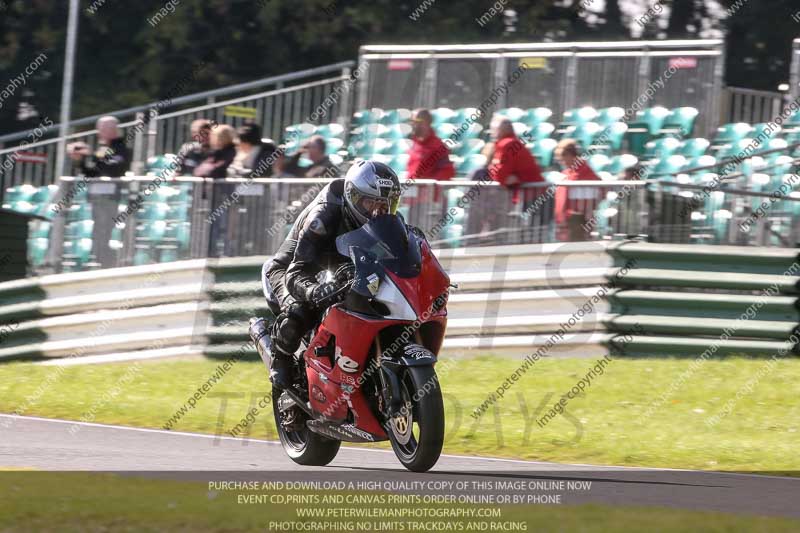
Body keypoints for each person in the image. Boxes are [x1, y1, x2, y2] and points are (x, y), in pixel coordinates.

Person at [261, 160, 401, 388]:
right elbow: (296, 271)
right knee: (297, 312)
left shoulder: (387, 221)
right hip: (295, 267)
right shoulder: (323, 216)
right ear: (353, 197)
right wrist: (314, 290)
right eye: (370, 204)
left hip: (342, 266)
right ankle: (281, 359)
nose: (377, 212)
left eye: (385, 206)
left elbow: (402, 252)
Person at [553, 138, 602, 241]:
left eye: (562, 158)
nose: (561, 162)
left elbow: (599, 189)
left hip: (578, 217)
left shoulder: (585, 171)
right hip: (568, 217)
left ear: (570, 155)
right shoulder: (566, 173)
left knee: (576, 246)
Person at [406, 108, 455, 182]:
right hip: (411, 190)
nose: (412, 125)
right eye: (411, 121)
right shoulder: (414, 144)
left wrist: (428, 184)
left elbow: (447, 172)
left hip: (428, 191)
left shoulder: (438, 146)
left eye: (416, 121)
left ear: (426, 122)